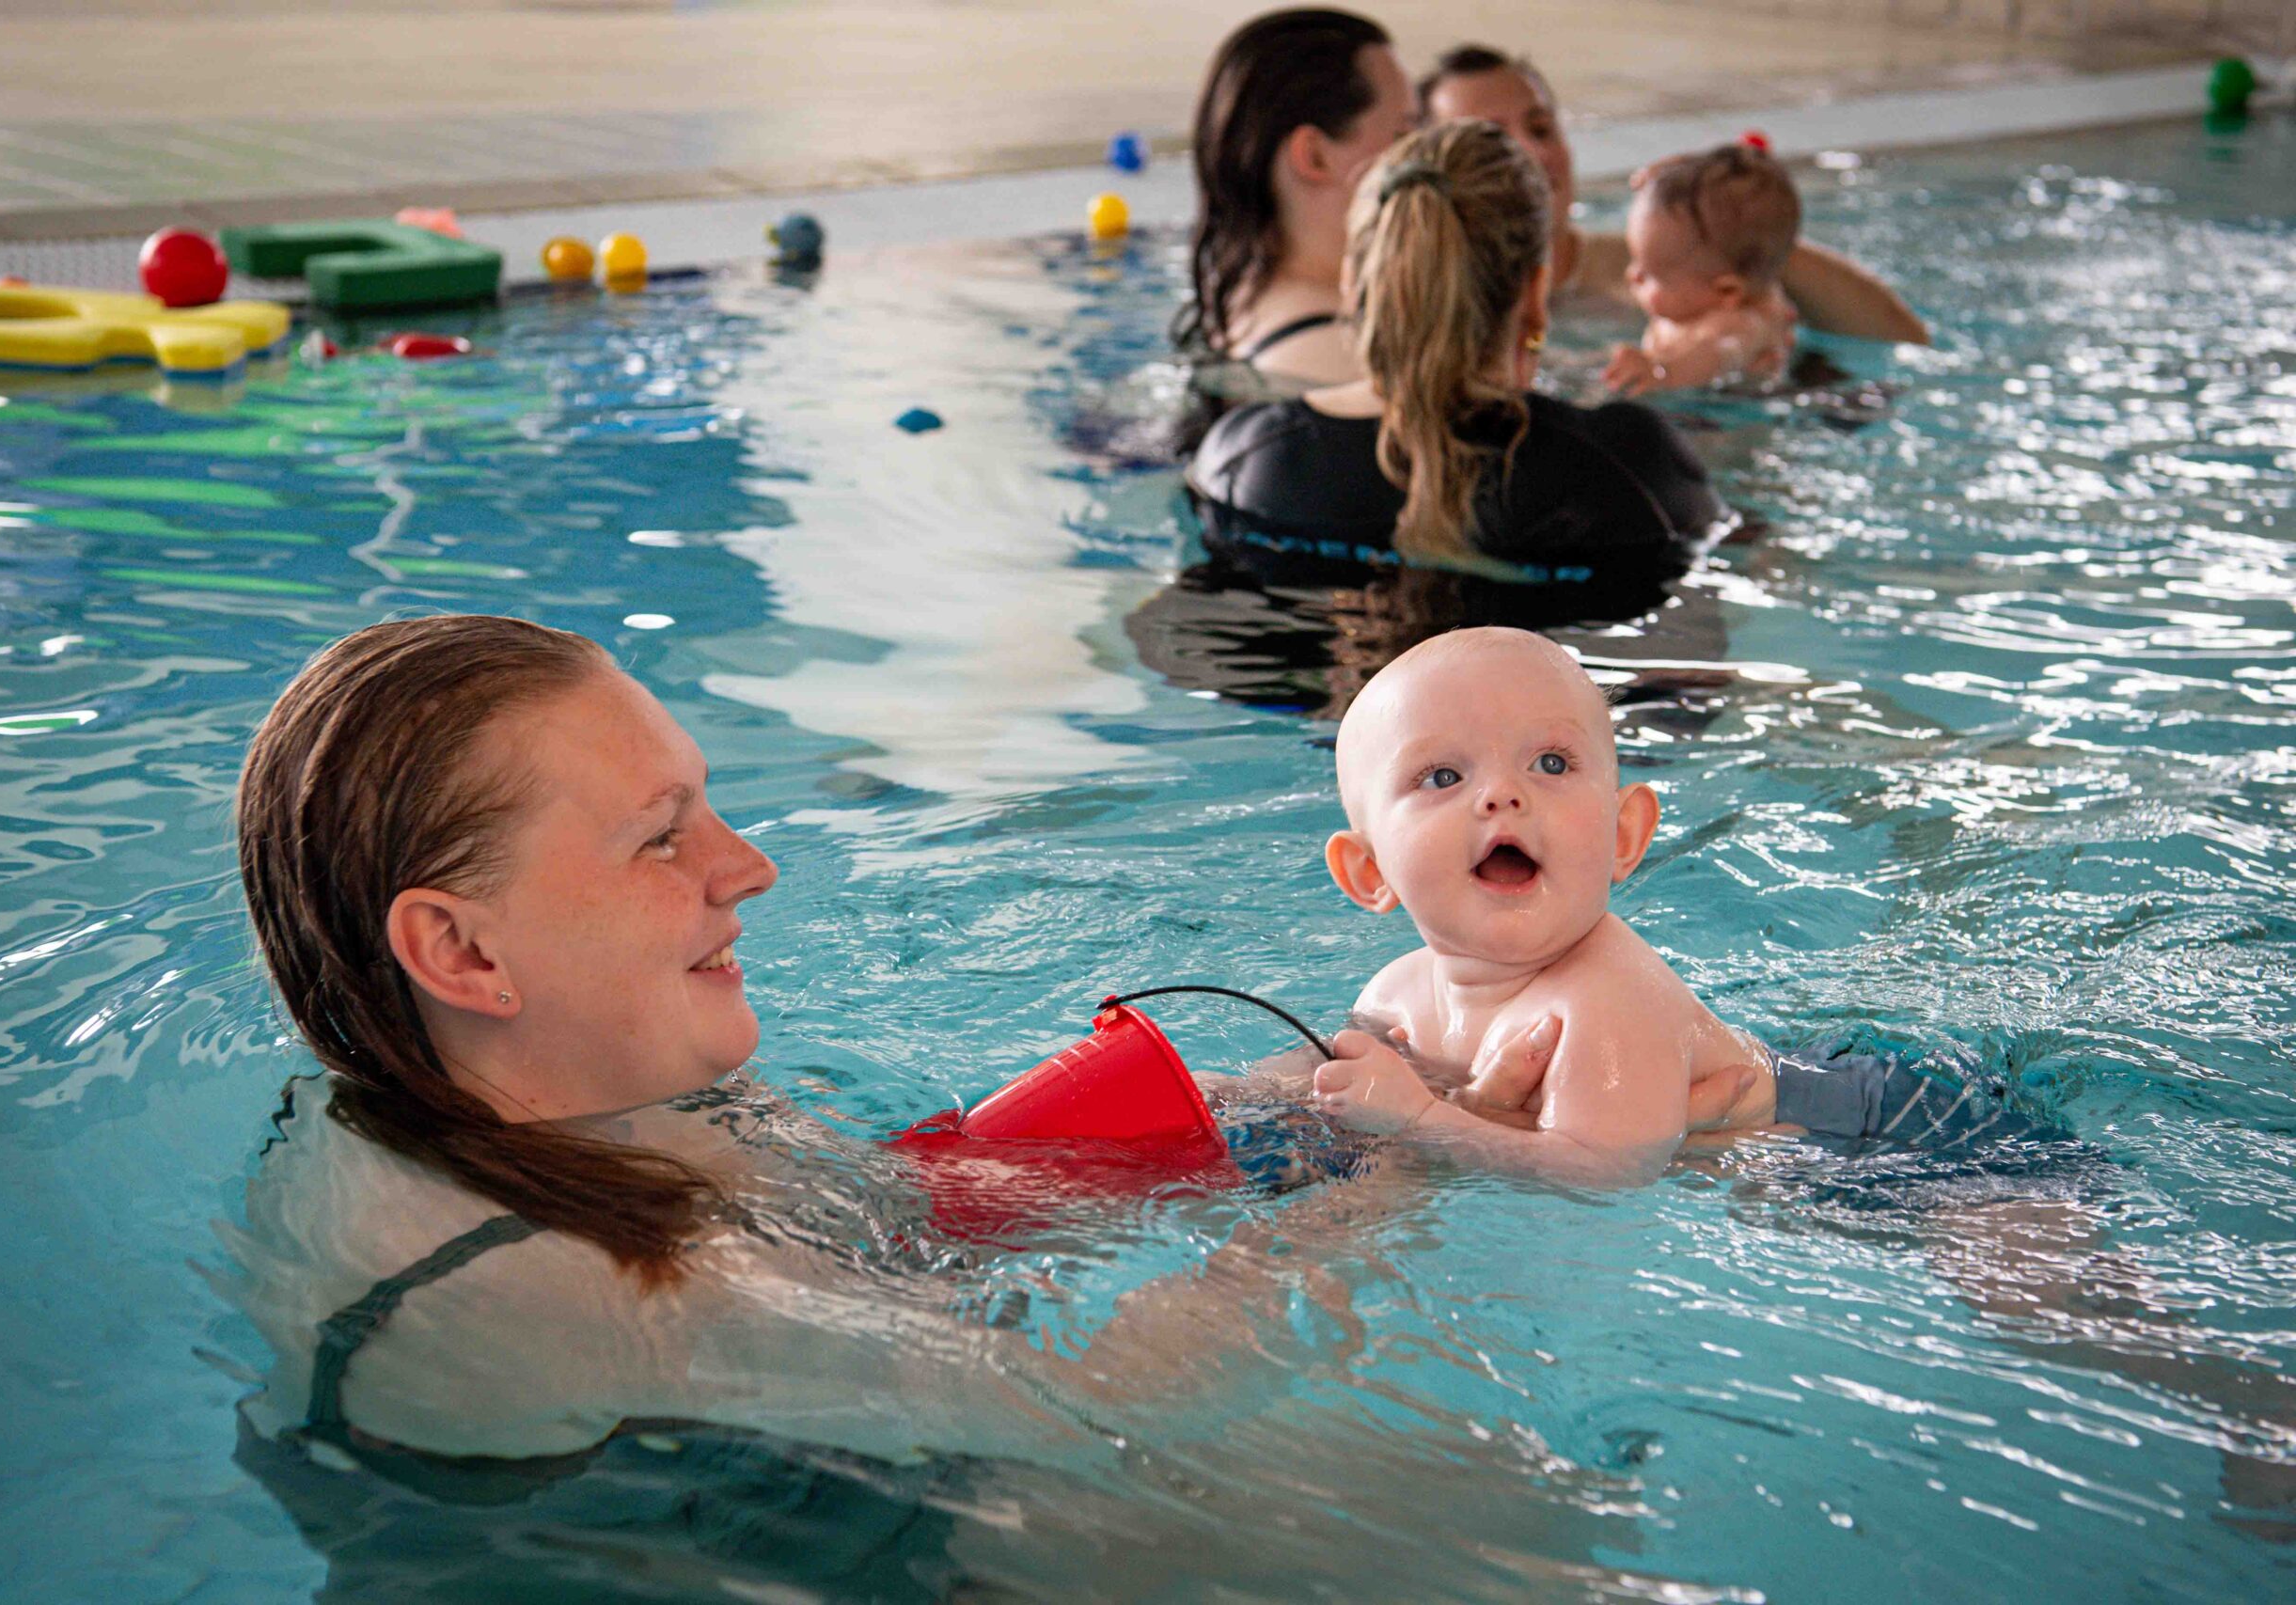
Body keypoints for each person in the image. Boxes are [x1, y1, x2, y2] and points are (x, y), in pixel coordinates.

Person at [224, 613, 1585, 1468]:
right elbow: (1092, 1400)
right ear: (461, 951)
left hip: (800, 1466)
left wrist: (1288, 1095)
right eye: (660, 837)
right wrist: (1389, 1187)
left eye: (706, 805)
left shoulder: (536, 1088)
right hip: (755, 1553)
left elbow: (899, 1210)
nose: (746, 864)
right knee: (1520, 1510)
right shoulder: (519, 1282)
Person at [1305, 627, 1769, 1184]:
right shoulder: (1394, 994)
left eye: (1550, 763)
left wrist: (1423, 1120)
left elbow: (1604, 1172)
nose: (1502, 794)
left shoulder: (1608, 997)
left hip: (1842, 1145)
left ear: (1623, 835)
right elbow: (1329, 1077)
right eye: (1443, 777)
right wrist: (1232, 1095)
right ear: (1370, 871)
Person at [1186, 119, 1726, 591]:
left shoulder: (1247, 460)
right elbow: (1691, 680)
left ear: (1354, 283)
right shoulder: (1636, 470)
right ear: (1535, 293)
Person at [1418, 45, 1931, 346]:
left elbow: (1900, 339)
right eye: (1497, 140)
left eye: (1541, 128)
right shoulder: (1428, 306)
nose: (1534, 152)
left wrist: (1735, 232)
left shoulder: (1655, 264)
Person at [1177, 8, 1415, 391]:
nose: (1420, 161)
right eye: (1402, 136)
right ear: (1314, 156)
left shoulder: (1238, 305)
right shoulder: (1346, 368)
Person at [1602, 142, 1801, 395]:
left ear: (1727, 292)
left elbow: (1716, 354)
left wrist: (1660, 373)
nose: (1632, 275)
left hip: (1718, 425)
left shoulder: (1741, 324)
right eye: (1637, 261)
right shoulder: (1711, 286)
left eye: (1652, 274)